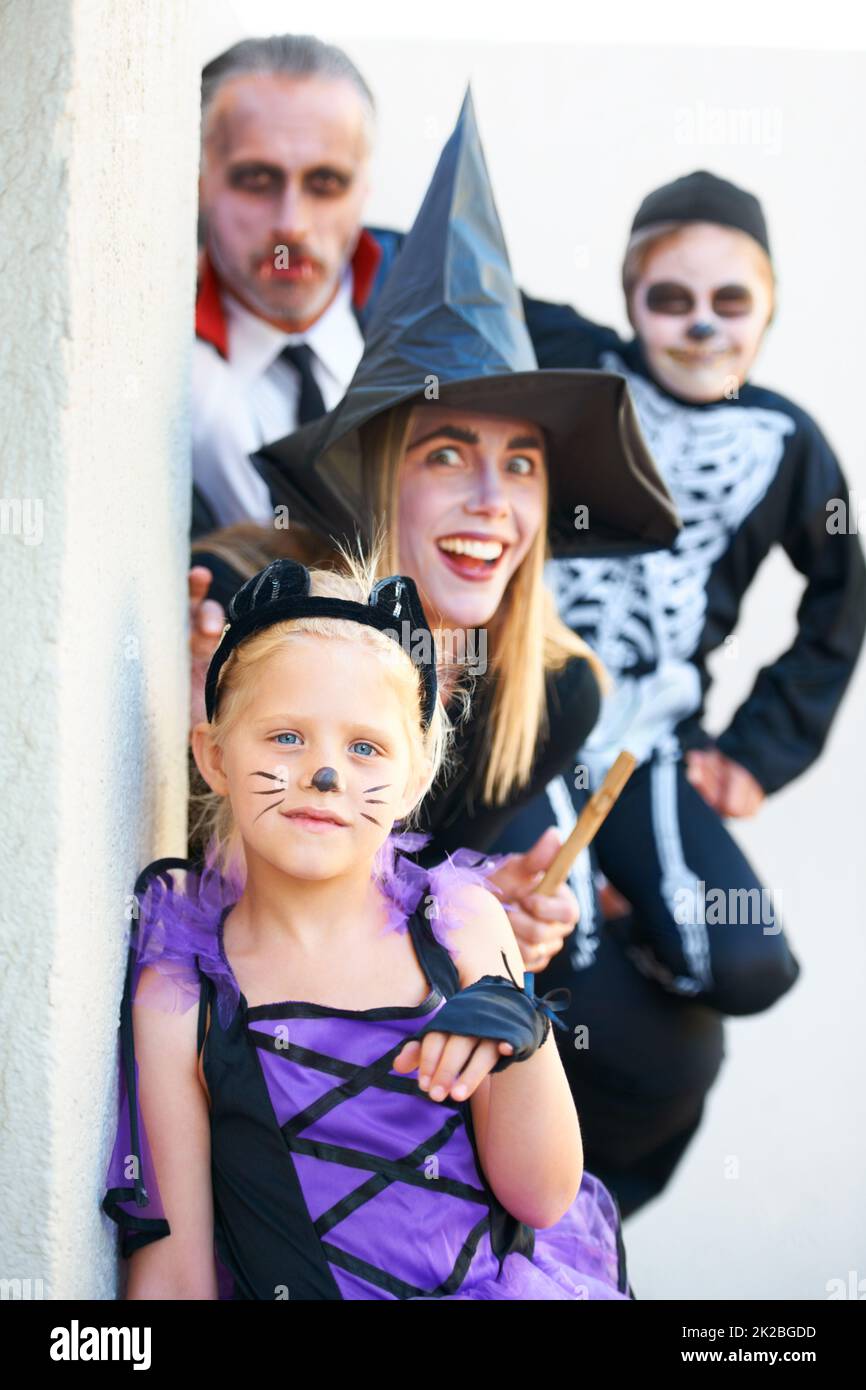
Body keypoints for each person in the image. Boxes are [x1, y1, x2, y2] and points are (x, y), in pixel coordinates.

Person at [191, 93, 722, 1221]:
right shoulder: (261, 613)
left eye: (521, 464)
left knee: (675, 1037)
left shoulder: (552, 685)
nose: (493, 504)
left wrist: (500, 905)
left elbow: (435, 873)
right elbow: (260, 886)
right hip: (278, 1025)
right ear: (380, 472)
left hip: (433, 1017)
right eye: (448, 453)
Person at [102, 550, 633, 1300]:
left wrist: (521, 1037)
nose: (326, 775)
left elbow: (543, 1196)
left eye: (365, 747)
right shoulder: (183, 990)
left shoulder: (459, 928)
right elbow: (175, 1269)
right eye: (287, 738)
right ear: (215, 757)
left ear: (415, 778)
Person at [192, 34, 402, 538]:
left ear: (364, 191)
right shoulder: (140, 364)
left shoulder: (440, 326)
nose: (292, 225)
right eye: (256, 180)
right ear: (199, 181)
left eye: (325, 183)